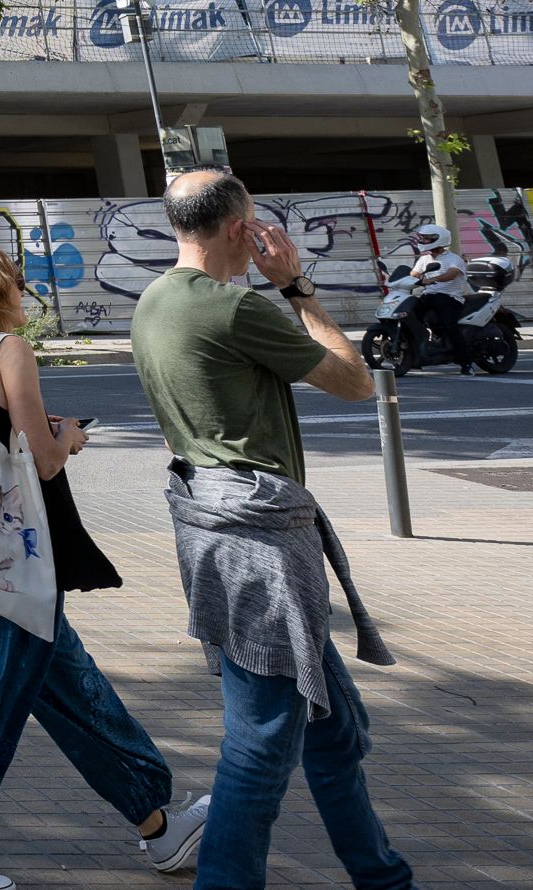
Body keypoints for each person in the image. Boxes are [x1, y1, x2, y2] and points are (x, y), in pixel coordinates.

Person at [131, 171, 417, 890]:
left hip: (214, 527)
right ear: (239, 230)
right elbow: (354, 380)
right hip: (262, 547)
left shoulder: (153, 301)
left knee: (331, 735)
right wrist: (296, 288)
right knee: (259, 745)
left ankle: (382, 877)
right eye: (256, 224)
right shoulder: (235, 310)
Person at [0, 243, 212, 890]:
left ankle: (157, 822)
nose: (24, 291)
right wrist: (66, 437)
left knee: (70, 686)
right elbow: (42, 460)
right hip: (5, 558)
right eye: (17, 282)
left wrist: (42, 427)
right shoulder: (8, 349)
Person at [385, 224, 466, 367]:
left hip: (449, 298)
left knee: (449, 326)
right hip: (428, 296)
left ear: (438, 240)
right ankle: (420, 349)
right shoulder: (424, 259)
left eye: (427, 239)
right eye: (422, 238)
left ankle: (466, 362)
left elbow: (452, 274)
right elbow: (413, 274)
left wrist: (433, 279)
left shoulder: (453, 258)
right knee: (408, 315)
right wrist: (399, 282)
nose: (422, 241)